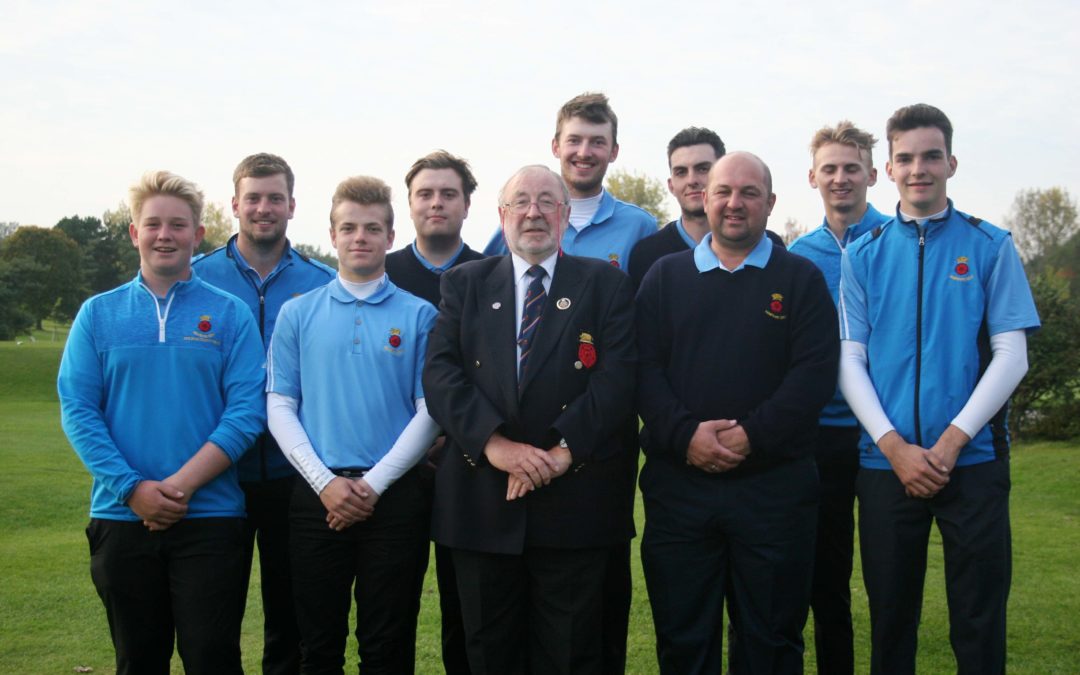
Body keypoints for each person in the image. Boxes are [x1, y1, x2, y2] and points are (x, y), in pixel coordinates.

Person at [839, 103, 1040, 674]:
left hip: (973, 461)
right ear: (889, 168)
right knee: (891, 622)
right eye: (905, 157)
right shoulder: (863, 253)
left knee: (978, 622)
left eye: (930, 156)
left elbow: (1011, 355)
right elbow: (849, 359)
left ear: (951, 162)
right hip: (886, 466)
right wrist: (894, 447)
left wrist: (951, 442)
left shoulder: (990, 245)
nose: (918, 168)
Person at [424, 165, 637, 674]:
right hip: (481, 507)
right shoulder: (463, 284)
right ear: (502, 216)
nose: (534, 212)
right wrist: (496, 445)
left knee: (570, 656)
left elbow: (618, 378)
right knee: (487, 655)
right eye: (521, 201)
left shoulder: (606, 285)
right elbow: (440, 374)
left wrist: (562, 454)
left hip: (575, 509)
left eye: (547, 202)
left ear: (565, 216)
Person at [636, 152, 839, 674]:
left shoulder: (801, 280)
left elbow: (814, 374)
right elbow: (642, 370)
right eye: (724, 190)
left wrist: (751, 436)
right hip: (680, 492)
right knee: (684, 642)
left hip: (775, 494)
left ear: (770, 204)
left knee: (770, 642)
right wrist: (685, 437)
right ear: (704, 197)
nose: (734, 203)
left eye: (750, 193)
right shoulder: (663, 277)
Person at [58, 170, 266, 675]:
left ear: (198, 235)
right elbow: (79, 409)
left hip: (212, 519)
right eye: (153, 224)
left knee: (213, 658)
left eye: (179, 225)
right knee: (138, 660)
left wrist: (174, 488)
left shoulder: (230, 315)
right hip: (121, 517)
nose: (165, 235)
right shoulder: (97, 314)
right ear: (134, 232)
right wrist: (133, 489)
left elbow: (246, 413)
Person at [266, 176, 439, 674]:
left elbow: (430, 410)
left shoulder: (420, 314)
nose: (359, 237)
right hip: (316, 497)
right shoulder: (297, 314)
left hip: (395, 498)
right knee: (317, 646)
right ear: (333, 234)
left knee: (388, 645)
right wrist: (326, 484)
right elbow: (280, 405)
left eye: (371, 228)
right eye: (348, 228)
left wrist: (372, 486)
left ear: (389, 235)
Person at [192, 152, 334, 675]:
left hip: (295, 475)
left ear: (292, 206)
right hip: (216, 475)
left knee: (291, 618)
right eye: (253, 197)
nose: (264, 208)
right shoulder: (197, 277)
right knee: (212, 618)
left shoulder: (322, 283)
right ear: (234, 204)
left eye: (275, 197)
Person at [787, 120, 890, 674]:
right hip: (820, 438)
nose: (841, 178)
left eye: (852, 168)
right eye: (830, 169)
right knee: (825, 578)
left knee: (885, 575)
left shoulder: (897, 239)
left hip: (884, 437)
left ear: (874, 174)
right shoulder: (799, 256)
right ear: (813, 178)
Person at [385, 150, 484, 675]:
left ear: (468, 204)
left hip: (465, 464)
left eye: (449, 193)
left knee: (466, 611)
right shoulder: (382, 271)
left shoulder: (490, 271)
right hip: (389, 468)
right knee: (390, 610)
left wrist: (458, 437)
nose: (437, 203)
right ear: (409, 204)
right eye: (425, 193)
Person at [483, 92, 656, 271]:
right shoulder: (519, 222)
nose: (584, 153)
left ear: (614, 152)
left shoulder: (640, 226)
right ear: (556, 147)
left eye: (597, 142)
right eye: (574, 140)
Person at [629, 126, 785, 288]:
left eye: (703, 168)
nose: (691, 180)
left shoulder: (769, 245)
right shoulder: (647, 254)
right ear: (671, 185)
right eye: (681, 172)